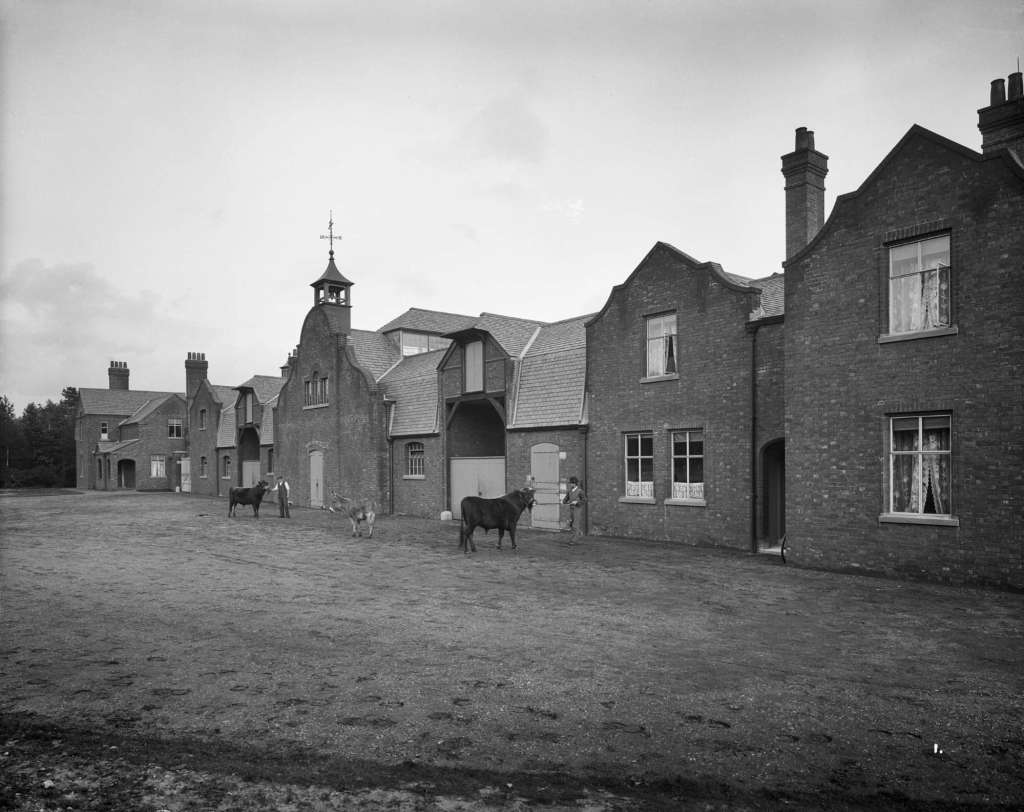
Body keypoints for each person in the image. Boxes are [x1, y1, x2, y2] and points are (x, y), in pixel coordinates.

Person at [562, 476, 585, 543]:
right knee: (571, 524)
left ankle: (574, 540)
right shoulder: (570, 491)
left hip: (577, 509)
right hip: (571, 509)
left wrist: (577, 502)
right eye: (570, 483)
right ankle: (579, 533)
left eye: (571, 483)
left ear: (574, 483)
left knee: (575, 524)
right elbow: (566, 499)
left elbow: (584, 500)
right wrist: (564, 501)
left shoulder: (580, 491)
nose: (570, 484)